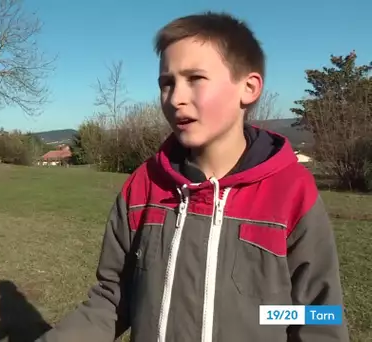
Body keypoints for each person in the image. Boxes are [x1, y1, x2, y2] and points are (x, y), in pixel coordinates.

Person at [36, 12, 348, 342]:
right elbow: (112, 298)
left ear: (249, 87)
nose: (175, 98)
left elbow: (319, 314)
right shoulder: (142, 186)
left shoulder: (292, 192)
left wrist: (269, 315)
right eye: (166, 83)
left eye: (195, 78)